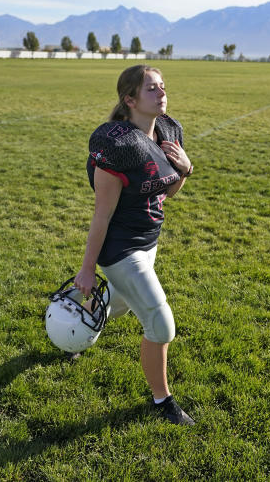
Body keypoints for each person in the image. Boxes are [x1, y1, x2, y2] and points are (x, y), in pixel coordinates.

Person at [74, 65, 195, 426]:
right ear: (130, 100)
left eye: (163, 87)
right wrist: (87, 269)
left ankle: (75, 328)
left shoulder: (166, 132)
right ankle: (162, 400)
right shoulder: (117, 144)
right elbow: (101, 215)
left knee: (121, 305)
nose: (161, 94)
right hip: (120, 249)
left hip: (148, 241)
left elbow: (168, 189)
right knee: (160, 323)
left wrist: (186, 170)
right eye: (151, 89)